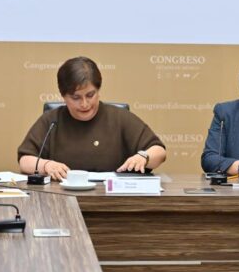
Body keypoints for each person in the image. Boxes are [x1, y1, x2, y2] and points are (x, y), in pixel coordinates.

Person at [18, 56, 166, 181]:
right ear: (63, 96)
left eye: (90, 95)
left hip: (111, 199)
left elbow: (159, 151)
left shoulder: (119, 118)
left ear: (98, 90)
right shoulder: (51, 121)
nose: (84, 104)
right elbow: (25, 160)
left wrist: (143, 157)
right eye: (76, 98)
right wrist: (46, 165)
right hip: (61, 197)